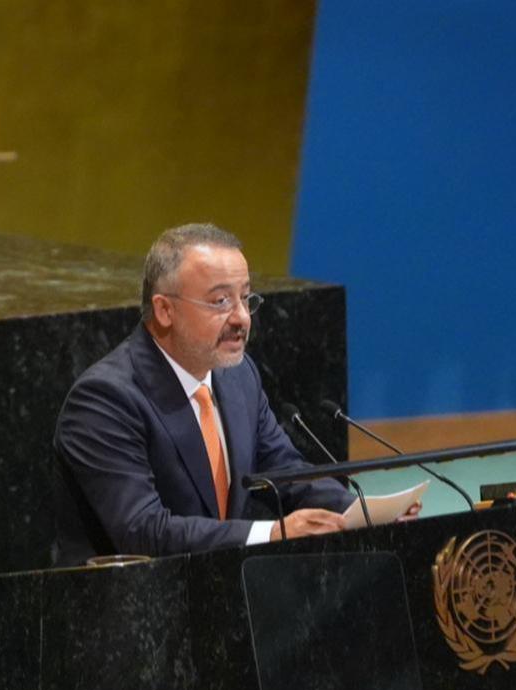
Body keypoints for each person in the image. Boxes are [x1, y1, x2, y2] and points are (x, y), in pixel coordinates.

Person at [52, 223, 355, 564]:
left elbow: (285, 471)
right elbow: (142, 530)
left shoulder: (238, 376)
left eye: (246, 297)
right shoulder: (106, 399)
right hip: (129, 604)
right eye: (221, 301)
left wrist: (361, 512)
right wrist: (270, 533)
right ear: (165, 310)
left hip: (221, 591)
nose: (241, 318)